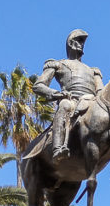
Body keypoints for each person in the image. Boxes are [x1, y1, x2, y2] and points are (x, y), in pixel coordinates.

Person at [33, 29, 103, 162]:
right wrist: (57, 94)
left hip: (92, 102)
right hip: (72, 101)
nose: (82, 44)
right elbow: (38, 86)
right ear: (71, 43)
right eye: (79, 40)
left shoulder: (93, 71)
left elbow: (101, 91)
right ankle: (57, 148)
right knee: (64, 105)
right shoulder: (58, 64)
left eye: (83, 42)